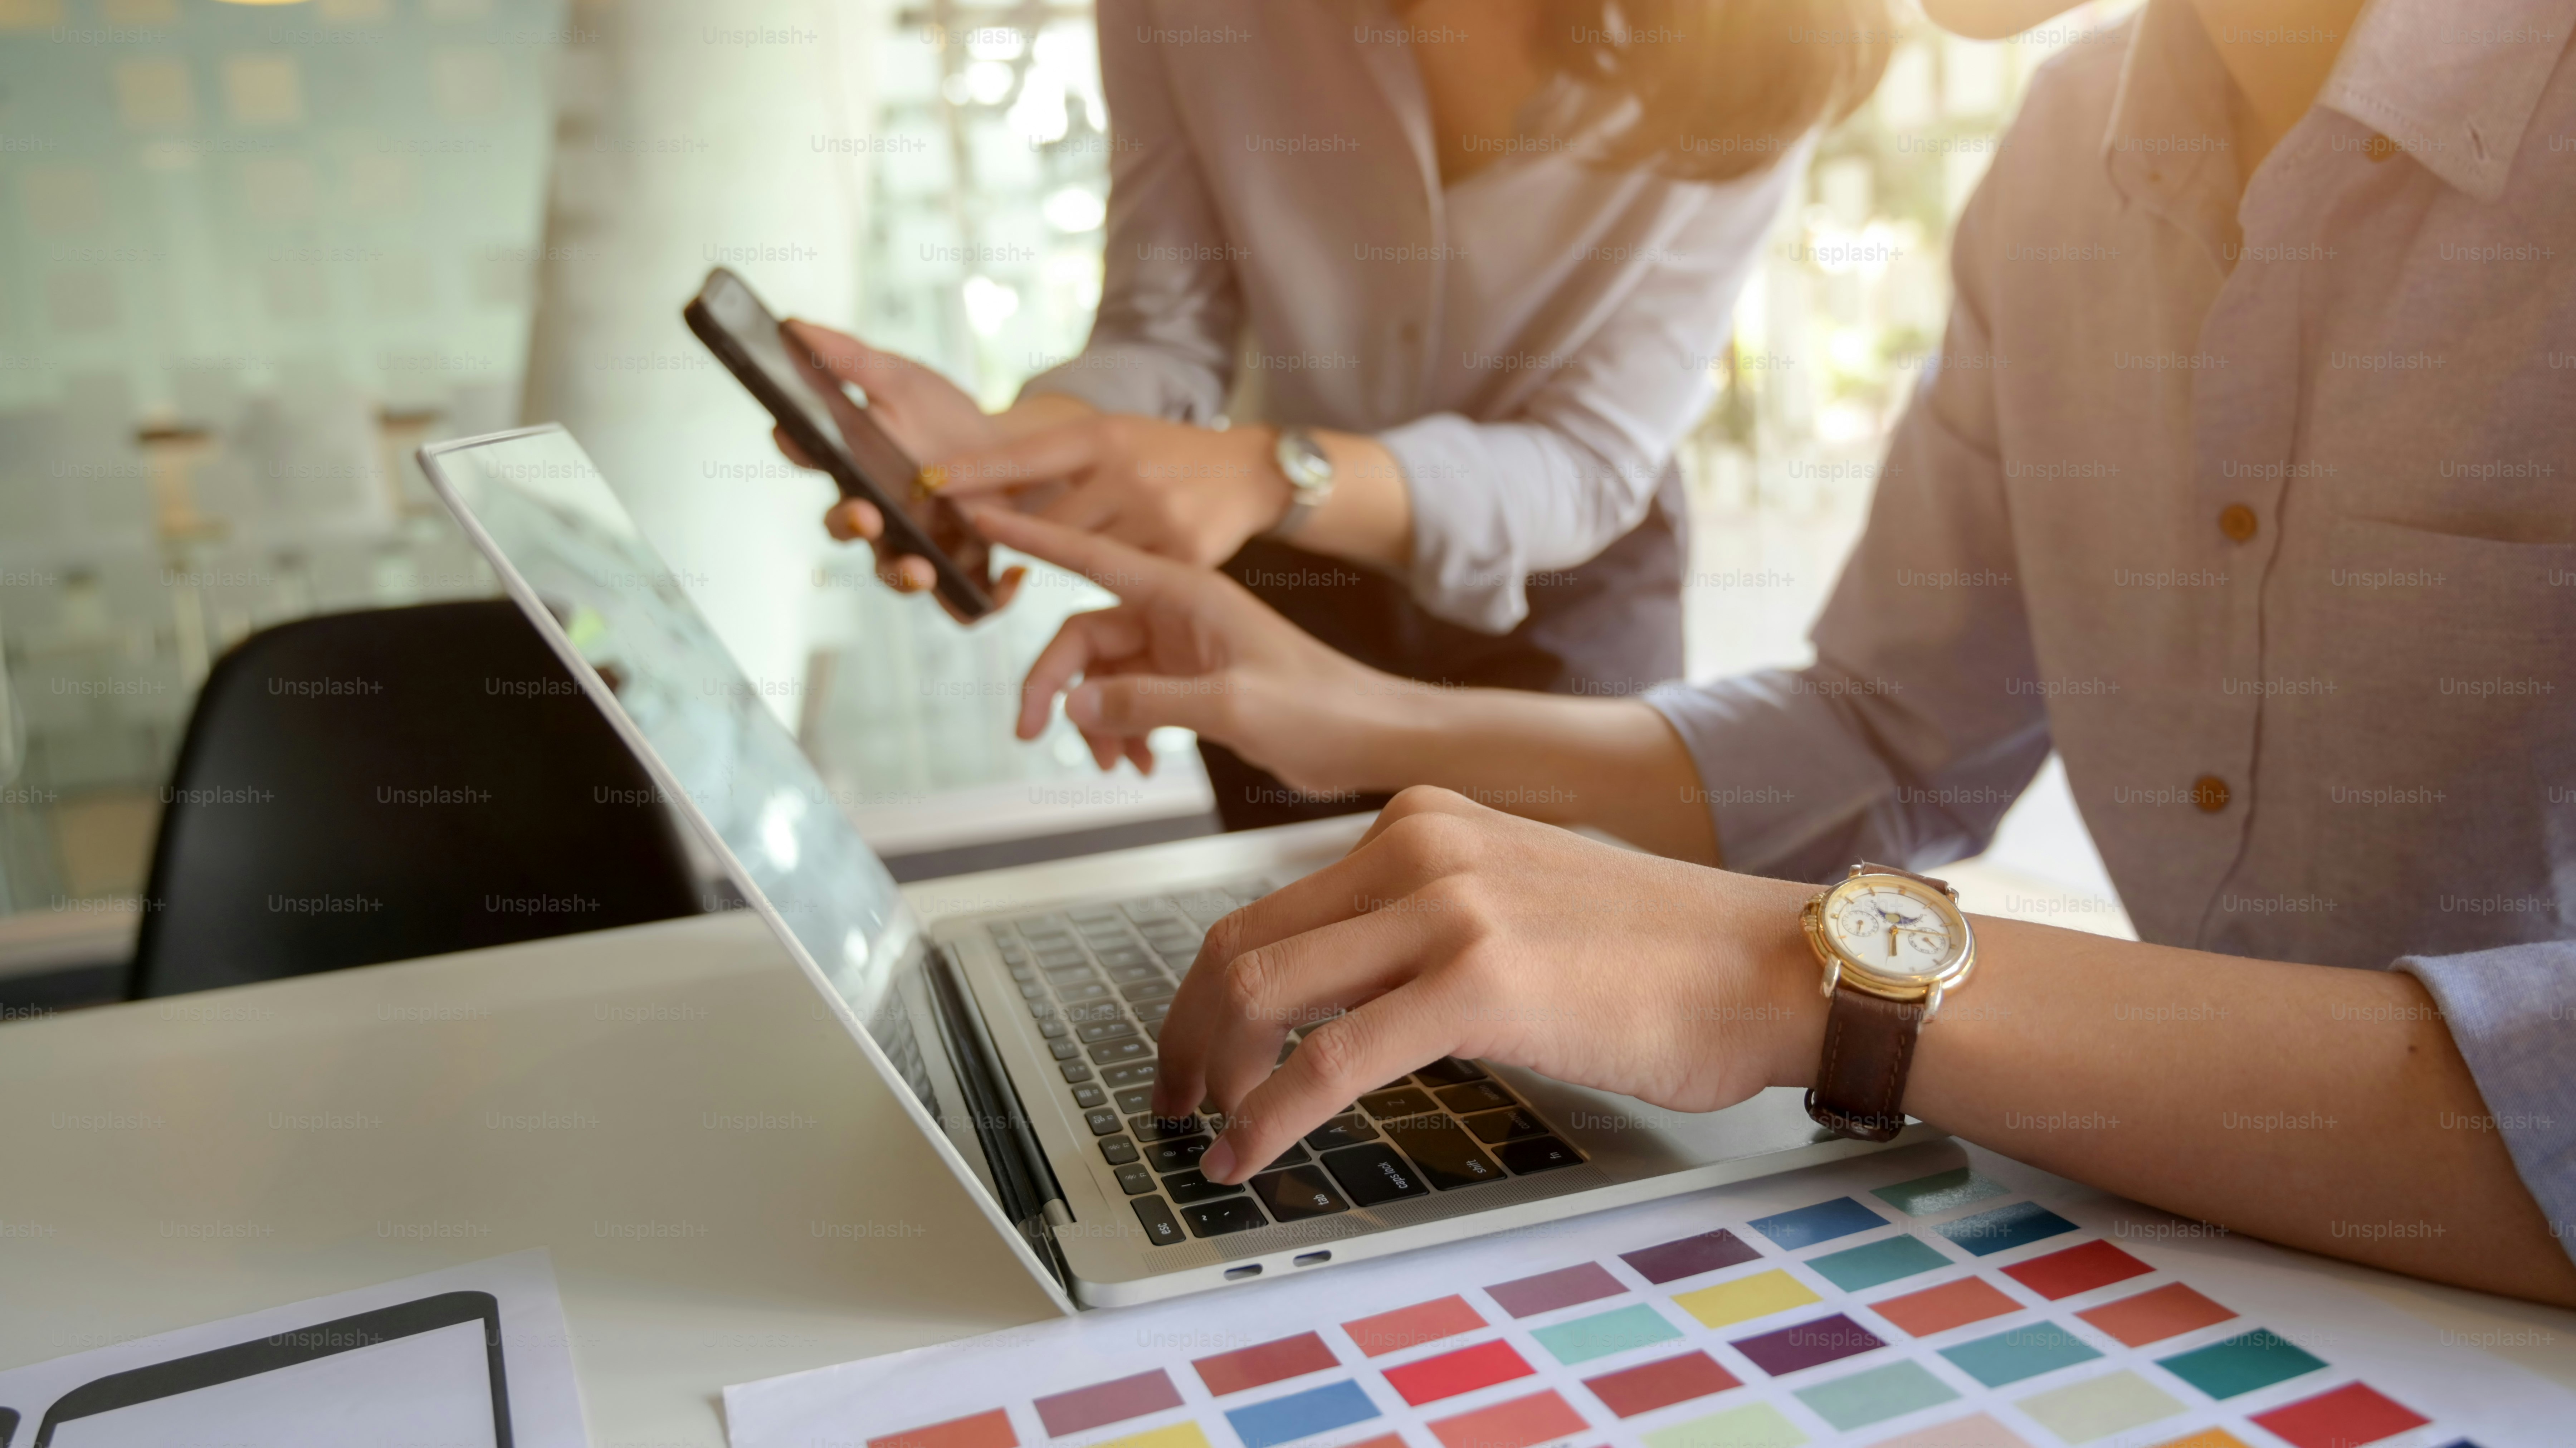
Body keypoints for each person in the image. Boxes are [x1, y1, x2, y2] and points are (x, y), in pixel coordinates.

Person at [948, 0, 2576, 1306]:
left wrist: (1798, 978)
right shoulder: (2070, 154)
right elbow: (1888, 733)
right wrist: (1368, 720)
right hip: (2212, 1263)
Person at [786, 0, 1890, 827]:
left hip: (1564, 580)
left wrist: (1280, 469)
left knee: (1563, 1054)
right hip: (1285, 579)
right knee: (1290, 1015)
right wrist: (1000, 453)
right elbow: (1166, 329)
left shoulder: (1758, 36)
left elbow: (1594, 458)